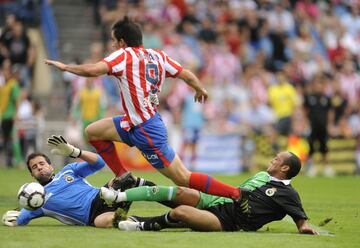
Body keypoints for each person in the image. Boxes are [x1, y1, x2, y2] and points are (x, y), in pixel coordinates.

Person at [44, 16, 244, 200]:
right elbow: (187, 74)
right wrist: (199, 88)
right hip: (133, 122)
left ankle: (235, 194)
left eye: (114, 41)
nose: (112, 45)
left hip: (147, 129)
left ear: (122, 42)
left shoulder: (124, 55)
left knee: (183, 178)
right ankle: (123, 176)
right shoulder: (158, 56)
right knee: (93, 132)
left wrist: (66, 67)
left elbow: (94, 70)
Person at [100, 151, 318, 235]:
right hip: (218, 202)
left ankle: (140, 224)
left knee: (182, 213)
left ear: (285, 168)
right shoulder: (261, 175)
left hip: (228, 223)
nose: (273, 160)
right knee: (179, 192)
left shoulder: (288, 193)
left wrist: (305, 227)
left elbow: (301, 219)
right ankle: (121, 195)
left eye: (277, 160)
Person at [2, 135, 163, 228]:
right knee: (112, 222)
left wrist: (74, 151)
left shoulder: (68, 170)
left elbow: (99, 162)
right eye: (35, 167)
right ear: (32, 175)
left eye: (42, 164)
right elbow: (19, 219)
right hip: (91, 217)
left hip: (101, 195)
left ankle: (169, 198)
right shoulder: (37, 201)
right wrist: (11, 219)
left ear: (50, 165)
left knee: (124, 179)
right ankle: (163, 222)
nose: (40, 168)